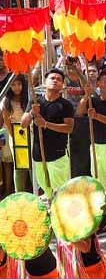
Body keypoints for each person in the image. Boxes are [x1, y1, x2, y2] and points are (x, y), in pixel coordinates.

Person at [20, 69, 74, 198]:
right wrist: (32, 113)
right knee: (46, 191)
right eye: (52, 78)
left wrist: (45, 124)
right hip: (39, 154)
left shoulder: (65, 105)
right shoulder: (35, 102)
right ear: (45, 82)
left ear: (62, 85)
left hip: (58, 155)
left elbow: (69, 128)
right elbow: (23, 124)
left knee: (60, 193)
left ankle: (60, 217)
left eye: (59, 79)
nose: (55, 80)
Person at [1, 75, 30, 193]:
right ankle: (20, 192)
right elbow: (8, 123)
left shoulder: (28, 98)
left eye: (19, 84)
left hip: (30, 134)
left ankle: (37, 191)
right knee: (19, 165)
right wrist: (16, 139)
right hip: (16, 135)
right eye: (13, 85)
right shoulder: (6, 102)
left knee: (32, 164)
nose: (17, 87)